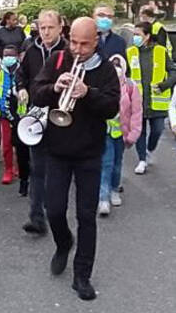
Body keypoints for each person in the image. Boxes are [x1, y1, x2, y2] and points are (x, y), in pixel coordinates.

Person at [33, 17, 120, 301]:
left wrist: (88, 93)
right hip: (57, 151)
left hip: (89, 154)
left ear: (96, 41)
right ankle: (63, 242)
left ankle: (82, 275)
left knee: (86, 217)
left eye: (84, 44)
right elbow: (37, 93)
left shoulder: (106, 69)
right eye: (74, 42)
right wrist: (55, 88)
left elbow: (111, 108)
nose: (78, 49)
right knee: (54, 210)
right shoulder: (58, 60)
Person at [16, 9, 67, 236]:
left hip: (62, 116)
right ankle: (36, 217)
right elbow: (21, 75)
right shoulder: (31, 50)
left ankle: (55, 212)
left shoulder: (68, 51)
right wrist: (21, 89)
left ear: (60, 27)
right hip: (36, 115)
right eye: (42, 27)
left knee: (58, 168)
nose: (45, 32)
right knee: (37, 167)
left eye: (50, 27)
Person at [129, 22, 176, 174]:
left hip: (157, 100)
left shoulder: (161, 51)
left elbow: (173, 71)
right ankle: (142, 159)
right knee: (139, 131)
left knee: (157, 129)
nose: (135, 38)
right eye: (134, 35)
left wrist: (165, 85)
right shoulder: (130, 52)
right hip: (138, 100)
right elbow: (126, 74)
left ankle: (150, 149)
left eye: (138, 35)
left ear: (147, 36)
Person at [98, 56, 142, 216]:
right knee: (106, 164)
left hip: (121, 134)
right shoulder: (102, 84)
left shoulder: (130, 87)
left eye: (119, 67)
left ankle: (114, 189)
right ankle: (103, 198)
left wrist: (133, 134)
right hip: (104, 132)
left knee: (117, 164)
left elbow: (137, 112)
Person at [0, 45, 28, 191]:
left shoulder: (23, 71)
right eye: (5, 55)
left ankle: (20, 167)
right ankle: (8, 170)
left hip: (21, 114)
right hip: (5, 114)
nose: (8, 58)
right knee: (6, 145)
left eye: (11, 55)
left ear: (17, 56)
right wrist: (0, 106)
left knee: (21, 144)